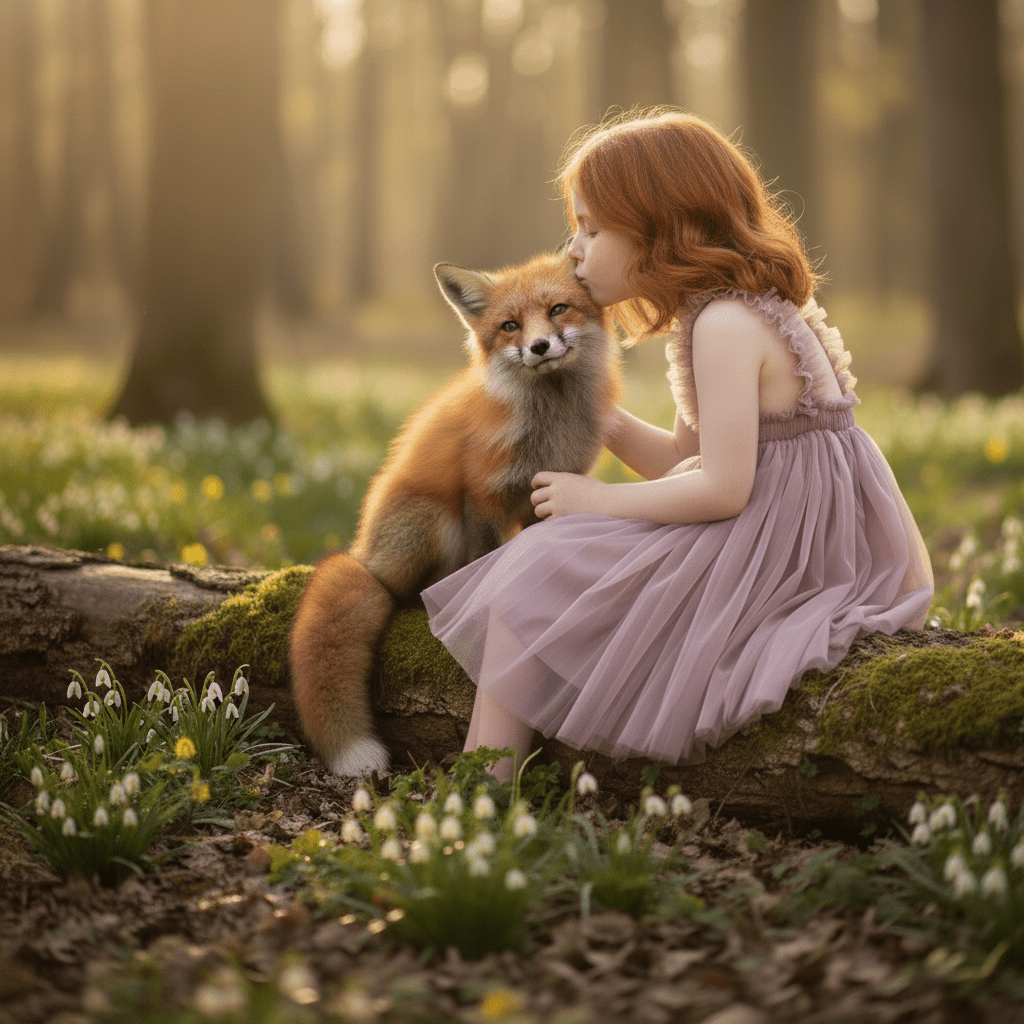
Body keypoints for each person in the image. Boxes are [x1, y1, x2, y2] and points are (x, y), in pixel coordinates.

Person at [422, 109, 934, 783]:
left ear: (659, 228)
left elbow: (723, 488)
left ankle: (486, 783)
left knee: (540, 561)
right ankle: (490, 777)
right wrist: (598, 417)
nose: (574, 248)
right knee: (553, 558)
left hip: (784, 549)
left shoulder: (725, 325)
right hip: (786, 529)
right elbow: (681, 462)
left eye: (592, 228)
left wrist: (595, 500)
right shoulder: (722, 312)